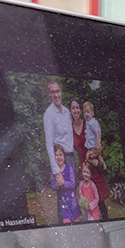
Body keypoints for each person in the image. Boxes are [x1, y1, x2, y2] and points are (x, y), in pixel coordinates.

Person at [72, 99, 111, 219]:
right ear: (71, 111)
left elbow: (100, 145)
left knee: (99, 197)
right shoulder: (70, 129)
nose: (76, 110)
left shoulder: (89, 123)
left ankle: (106, 220)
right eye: (73, 108)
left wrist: (95, 154)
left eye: (77, 107)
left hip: (93, 164)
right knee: (88, 197)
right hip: (84, 167)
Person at [43, 79, 75, 220]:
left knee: (72, 194)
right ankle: (63, 227)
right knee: (62, 197)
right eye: (52, 92)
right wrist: (56, 171)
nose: (56, 95)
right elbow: (49, 145)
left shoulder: (67, 112)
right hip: (60, 160)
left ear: (61, 92)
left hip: (71, 158)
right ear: (49, 94)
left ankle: (73, 223)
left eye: (57, 91)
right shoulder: (49, 115)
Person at [51, 143, 80, 223]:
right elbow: (53, 186)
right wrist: (58, 184)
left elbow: (73, 184)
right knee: (66, 221)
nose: (59, 157)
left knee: (75, 223)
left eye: (61, 155)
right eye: (56, 155)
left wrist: (63, 183)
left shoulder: (69, 168)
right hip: (63, 203)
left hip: (72, 201)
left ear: (64, 156)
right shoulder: (54, 171)